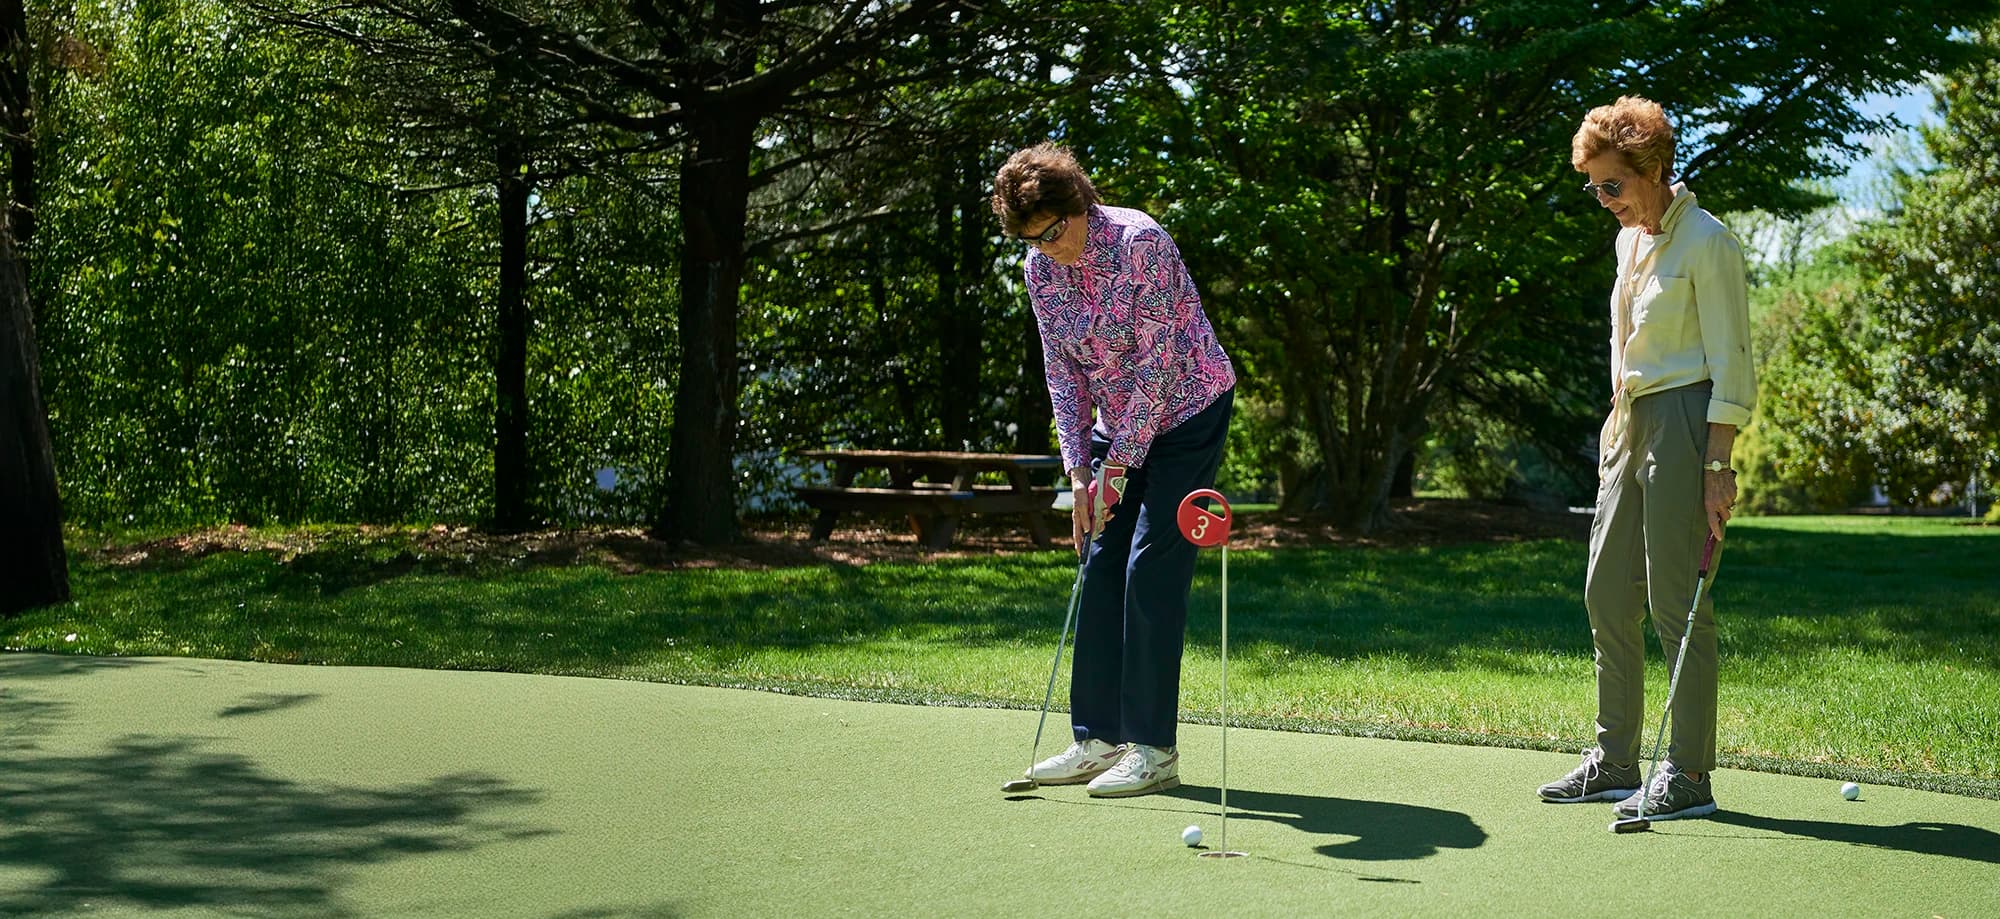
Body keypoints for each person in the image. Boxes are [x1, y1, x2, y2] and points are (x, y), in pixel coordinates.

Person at [990, 143, 1236, 798]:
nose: (1049, 246)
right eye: (1032, 238)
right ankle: (1097, 738)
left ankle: (1154, 748)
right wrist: (1077, 471)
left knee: (1148, 567)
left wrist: (1120, 466)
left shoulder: (1140, 243)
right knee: (1098, 560)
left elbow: (1158, 367)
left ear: (1078, 205)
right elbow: (1063, 373)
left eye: (1054, 230)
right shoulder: (1040, 271)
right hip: (1115, 423)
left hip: (1187, 408)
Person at [1537, 97, 1756, 821]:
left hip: (1687, 421)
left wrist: (1717, 466)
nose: (1603, 200)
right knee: (1605, 590)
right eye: (1594, 187)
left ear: (1654, 170)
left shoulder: (1708, 243)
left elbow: (1733, 363)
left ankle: (1689, 770)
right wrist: (1615, 422)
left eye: (1612, 185)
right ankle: (1615, 760)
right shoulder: (1630, 243)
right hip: (1629, 422)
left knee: (1675, 602)